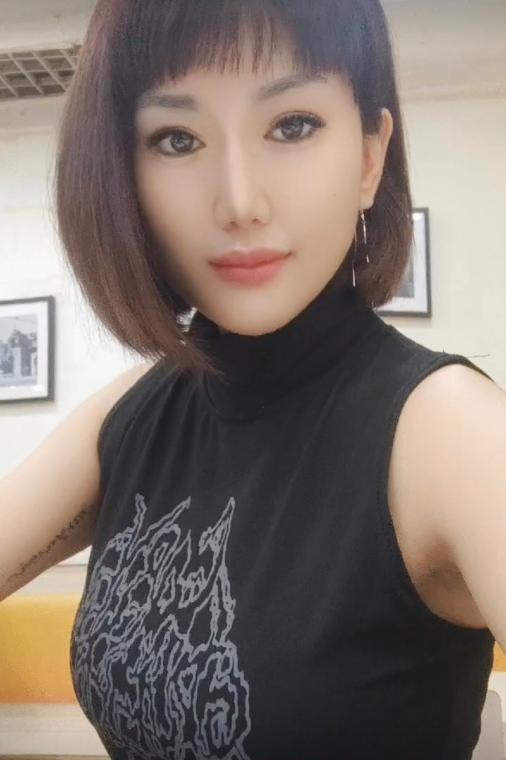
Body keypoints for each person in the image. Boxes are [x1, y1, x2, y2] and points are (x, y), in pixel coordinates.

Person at [1, 1, 505, 759]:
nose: (240, 203)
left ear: (370, 158)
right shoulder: (135, 412)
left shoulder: (449, 430)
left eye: (293, 125)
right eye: (177, 139)